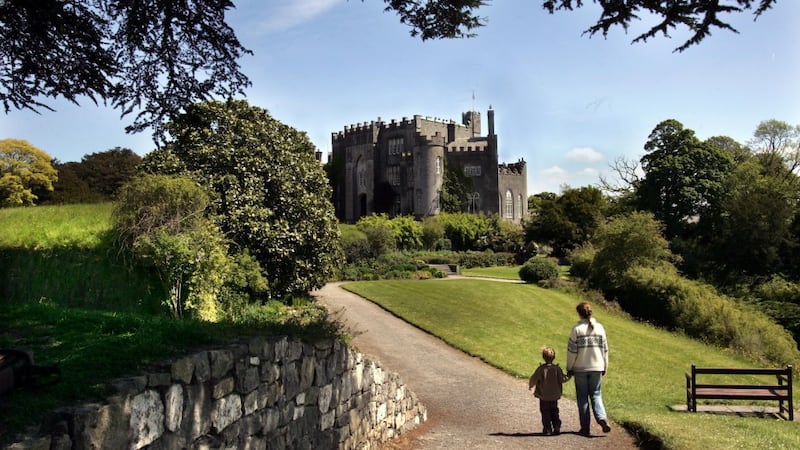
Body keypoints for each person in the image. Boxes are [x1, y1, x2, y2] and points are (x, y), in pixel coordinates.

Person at [566, 302, 611, 437]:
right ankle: (602, 418)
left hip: (580, 368)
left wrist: (569, 367)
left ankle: (585, 428)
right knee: (596, 394)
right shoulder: (600, 328)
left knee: (582, 397)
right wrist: (605, 366)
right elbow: (605, 350)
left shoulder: (576, 329)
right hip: (597, 367)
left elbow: (572, 352)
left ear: (579, 313)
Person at [528, 346, 570, 435]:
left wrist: (531, 385)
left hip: (544, 396)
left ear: (543, 357)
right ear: (554, 357)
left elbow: (534, 378)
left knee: (545, 412)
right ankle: (556, 426)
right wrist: (569, 375)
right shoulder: (557, 369)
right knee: (554, 411)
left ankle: (547, 429)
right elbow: (563, 379)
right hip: (554, 395)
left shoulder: (541, 369)